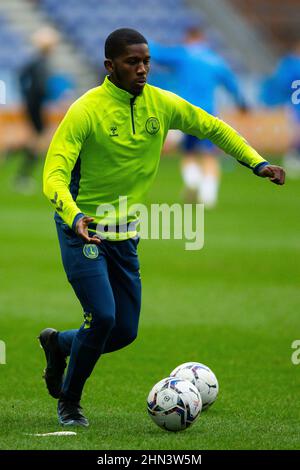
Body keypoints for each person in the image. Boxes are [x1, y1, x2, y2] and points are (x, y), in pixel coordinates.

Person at [41, 28, 285, 427]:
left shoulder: (162, 104)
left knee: (123, 331)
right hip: (82, 229)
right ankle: (69, 402)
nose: (142, 69)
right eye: (132, 62)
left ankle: (57, 344)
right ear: (110, 66)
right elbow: (53, 175)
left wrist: (257, 162)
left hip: (125, 234)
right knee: (101, 317)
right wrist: (74, 216)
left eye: (146, 62)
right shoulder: (86, 110)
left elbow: (213, 127)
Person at [150, 27, 247, 208]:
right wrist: (242, 104)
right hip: (208, 113)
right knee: (209, 154)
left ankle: (193, 180)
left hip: (185, 112)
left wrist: (147, 41)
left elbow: (157, 54)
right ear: (203, 39)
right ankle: (208, 194)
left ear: (188, 38)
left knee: (188, 152)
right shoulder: (216, 60)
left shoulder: (184, 55)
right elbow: (232, 84)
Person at [18, 27, 59, 192]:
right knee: (40, 139)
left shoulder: (40, 62)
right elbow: (24, 77)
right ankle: (23, 175)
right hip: (34, 105)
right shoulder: (38, 62)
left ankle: (23, 174)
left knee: (39, 138)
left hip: (36, 104)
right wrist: (29, 94)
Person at [261, 39, 300, 178]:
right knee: (297, 132)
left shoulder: (289, 64)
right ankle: (293, 157)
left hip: (293, 105)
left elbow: (281, 82)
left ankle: (293, 157)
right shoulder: (290, 64)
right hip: (295, 106)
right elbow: (282, 83)